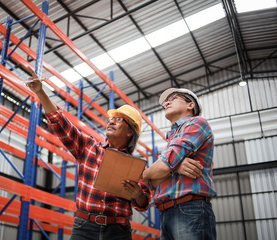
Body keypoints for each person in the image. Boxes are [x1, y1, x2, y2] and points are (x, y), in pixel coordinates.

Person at [26, 67, 152, 240]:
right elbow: (59, 122)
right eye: (110, 119)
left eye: (118, 119)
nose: (111, 121)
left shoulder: (136, 166)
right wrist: (41, 93)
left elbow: (143, 204)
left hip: (118, 231)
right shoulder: (88, 147)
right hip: (84, 228)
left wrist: (138, 194)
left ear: (130, 131)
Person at [143, 88, 217, 240]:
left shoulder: (197, 123)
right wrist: (175, 166)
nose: (167, 102)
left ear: (190, 105)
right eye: (166, 101)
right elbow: (153, 183)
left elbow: (160, 169)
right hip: (167, 213)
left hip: (190, 210)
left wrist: (152, 172)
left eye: (173, 98)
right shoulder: (172, 138)